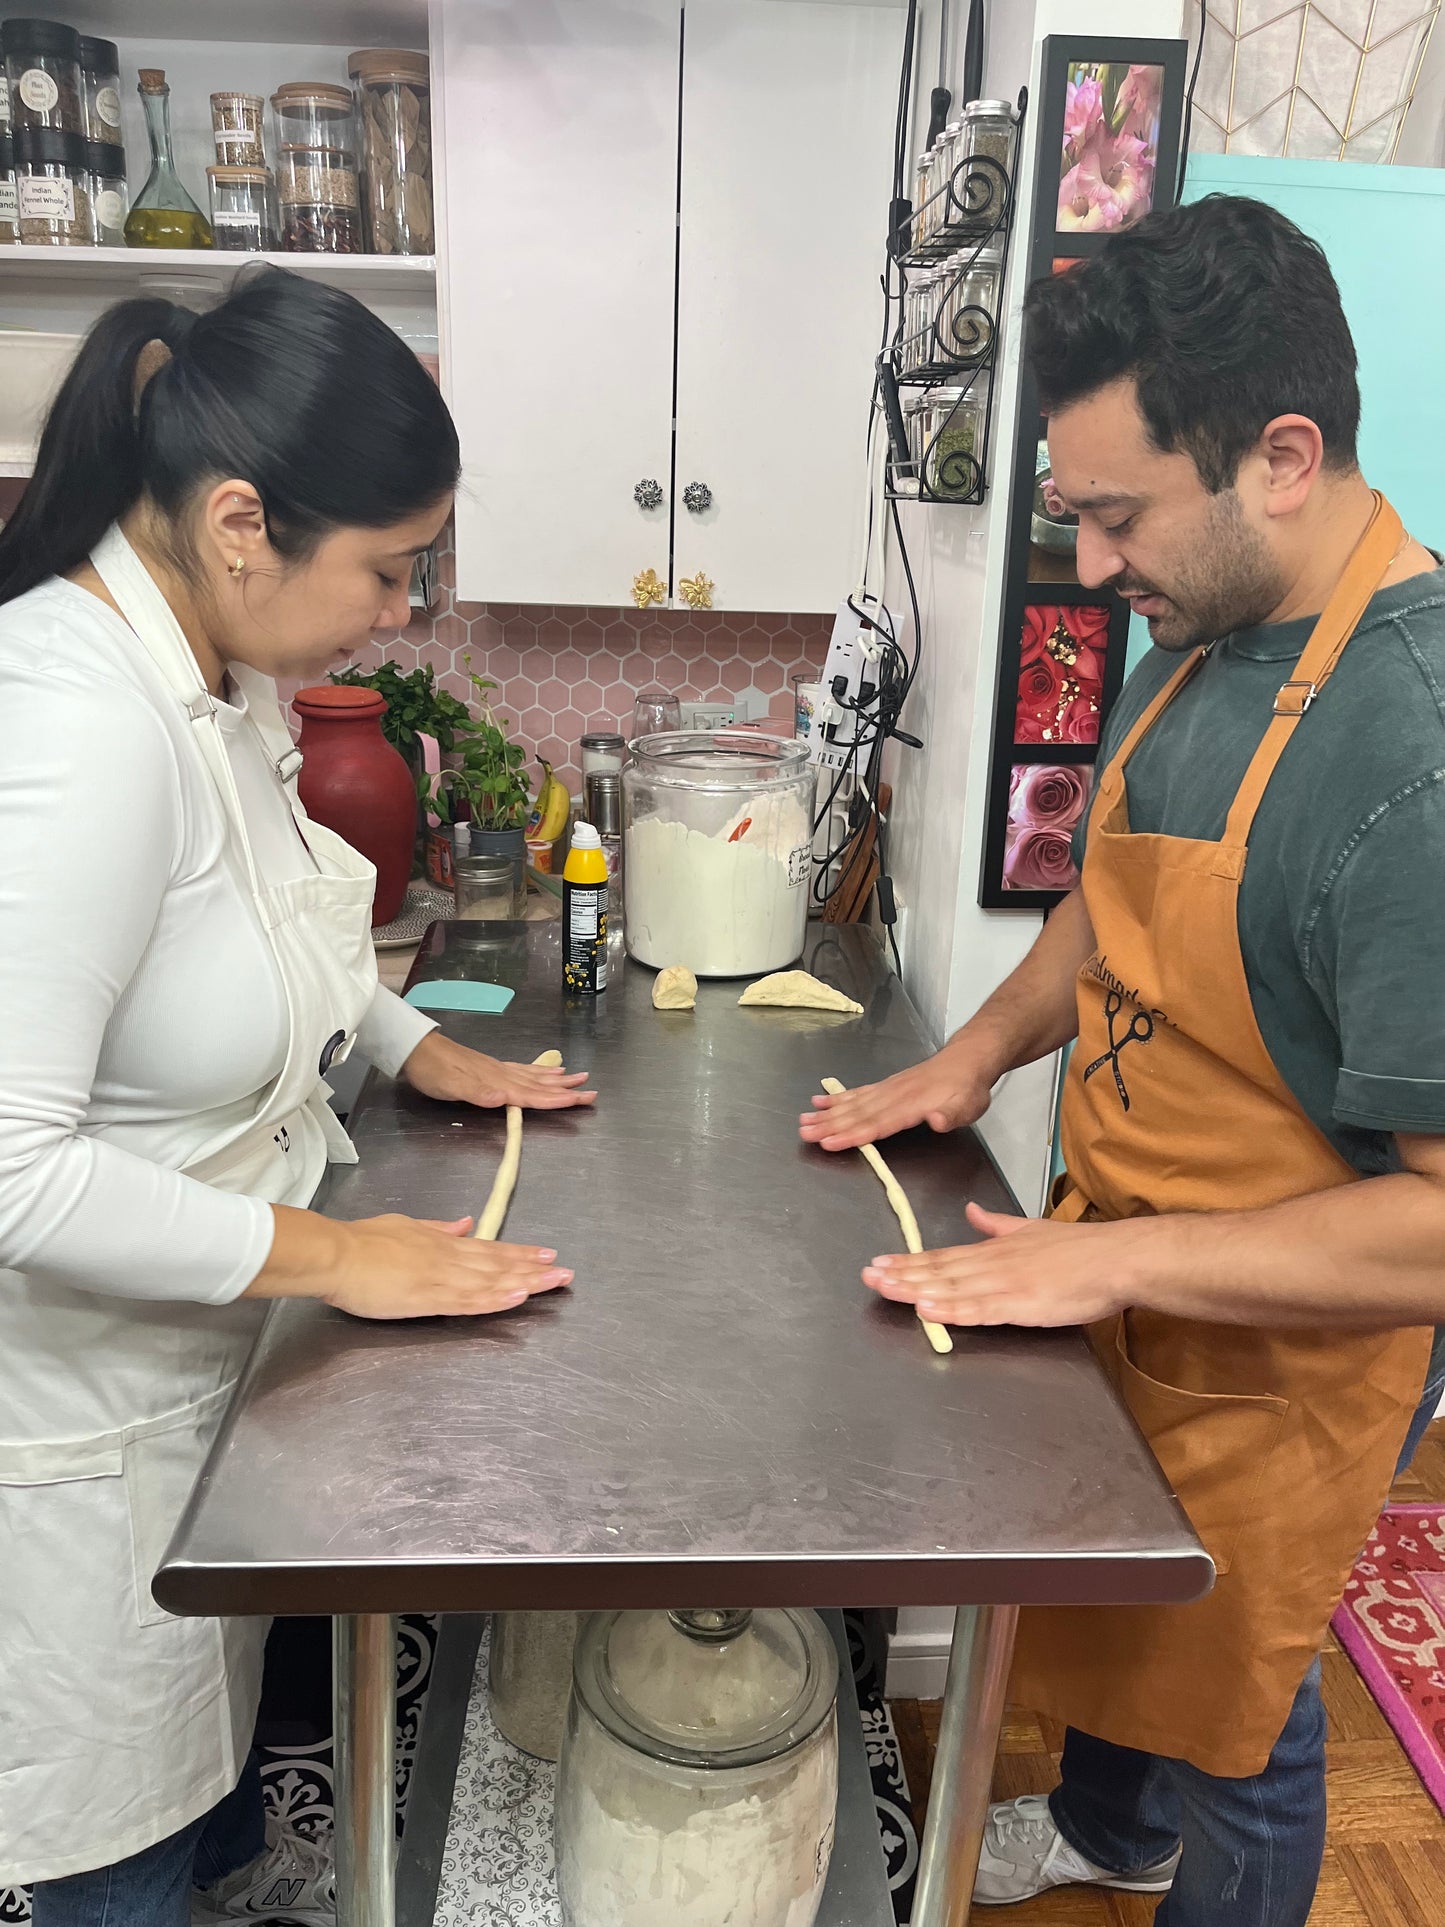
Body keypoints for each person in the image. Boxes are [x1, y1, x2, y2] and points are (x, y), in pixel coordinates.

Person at [802, 195, 1445, 1925]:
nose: (1089, 565)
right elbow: (1108, 899)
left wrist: (1117, 1256)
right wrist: (975, 1058)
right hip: (1138, 1259)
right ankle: (1104, 1834)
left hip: (1296, 1346)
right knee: (1127, 1603)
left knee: (1248, 1695)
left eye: (1113, 516)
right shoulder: (1203, 643)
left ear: (1282, 456)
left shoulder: (1414, 758)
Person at [0, 270, 595, 1926]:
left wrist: (418, 1048)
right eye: (389, 570)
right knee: (112, 1857)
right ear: (246, 522)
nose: (402, 610)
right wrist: (340, 1262)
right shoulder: (69, 717)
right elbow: (10, 1172)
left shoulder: (213, 672)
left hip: (209, 1381)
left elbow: (272, 935)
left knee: (213, 1816)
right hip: (75, 1425)